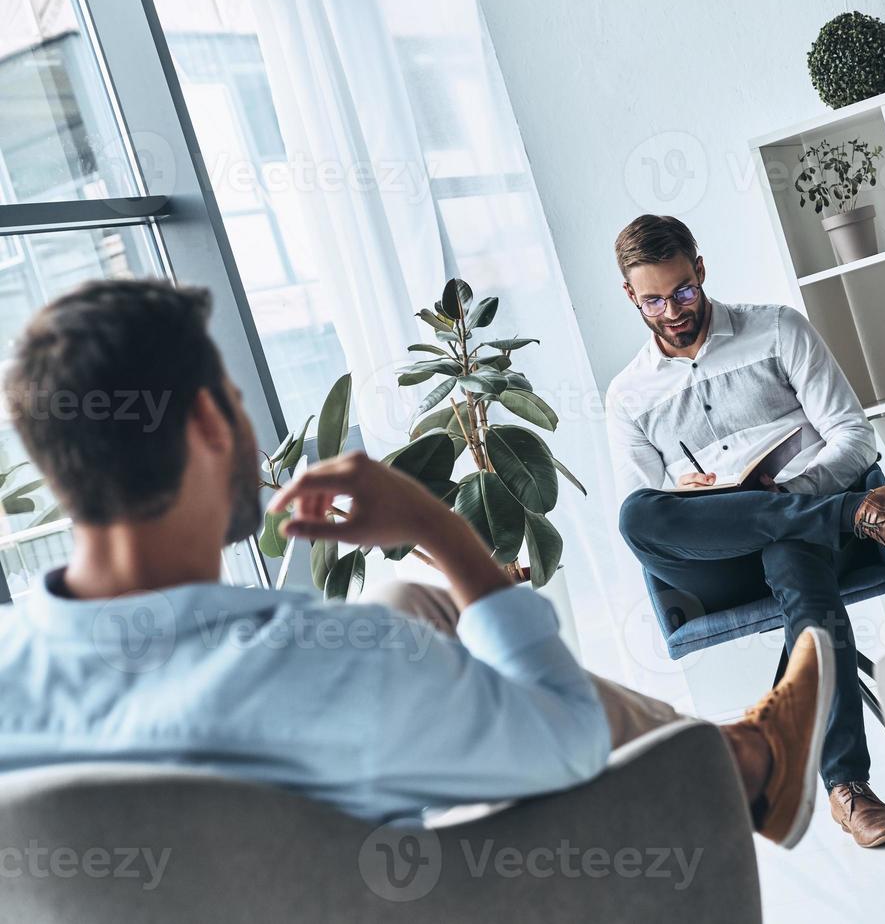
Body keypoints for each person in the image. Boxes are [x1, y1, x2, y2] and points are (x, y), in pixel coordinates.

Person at [0, 279, 840, 851]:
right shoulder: (323, 668)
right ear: (208, 429)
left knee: (405, 600)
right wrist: (443, 530)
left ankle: (743, 749)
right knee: (426, 611)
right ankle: (748, 764)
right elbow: (570, 739)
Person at [605, 215, 885, 848]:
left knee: (794, 555)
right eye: (654, 300)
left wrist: (788, 493)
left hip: (798, 538)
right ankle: (860, 513)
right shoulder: (628, 395)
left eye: (684, 290)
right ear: (630, 296)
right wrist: (683, 496)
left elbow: (854, 439)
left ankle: (847, 789)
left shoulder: (777, 330)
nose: (673, 310)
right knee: (637, 514)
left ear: (702, 267)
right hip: (716, 563)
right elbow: (649, 510)